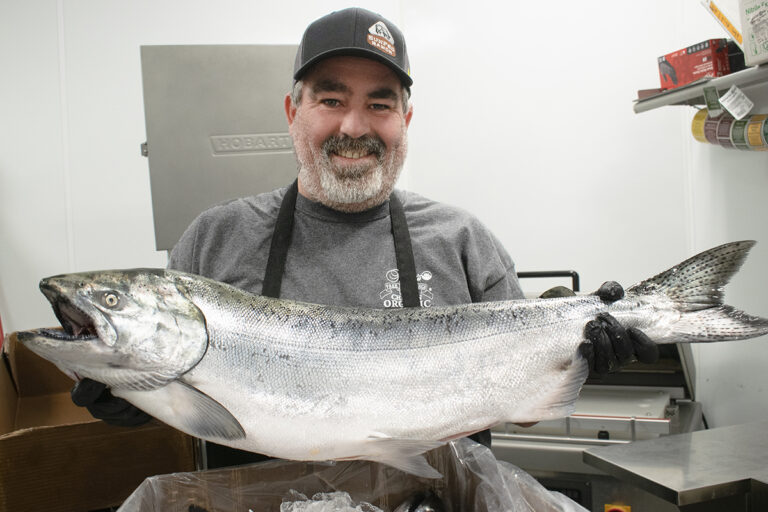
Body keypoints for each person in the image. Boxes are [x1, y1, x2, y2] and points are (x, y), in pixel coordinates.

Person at [71, 7, 658, 467]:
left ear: (406, 120)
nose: (354, 126)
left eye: (380, 104)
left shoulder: (462, 240)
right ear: (291, 110)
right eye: (331, 100)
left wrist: (576, 351)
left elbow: (520, 406)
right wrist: (124, 396)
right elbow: (185, 397)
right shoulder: (214, 240)